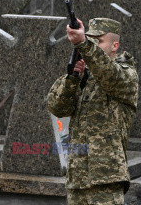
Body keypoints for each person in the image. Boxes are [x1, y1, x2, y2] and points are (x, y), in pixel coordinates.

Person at [47, 17, 138, 205]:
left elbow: (110, 75)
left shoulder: (127, 74)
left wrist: (84, 44)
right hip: (77, 179)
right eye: (90, 39)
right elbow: (56, 107)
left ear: (115, 46)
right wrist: (72, 79)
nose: (93, 43)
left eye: (99, 40)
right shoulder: (83, 76)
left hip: (107, 179)